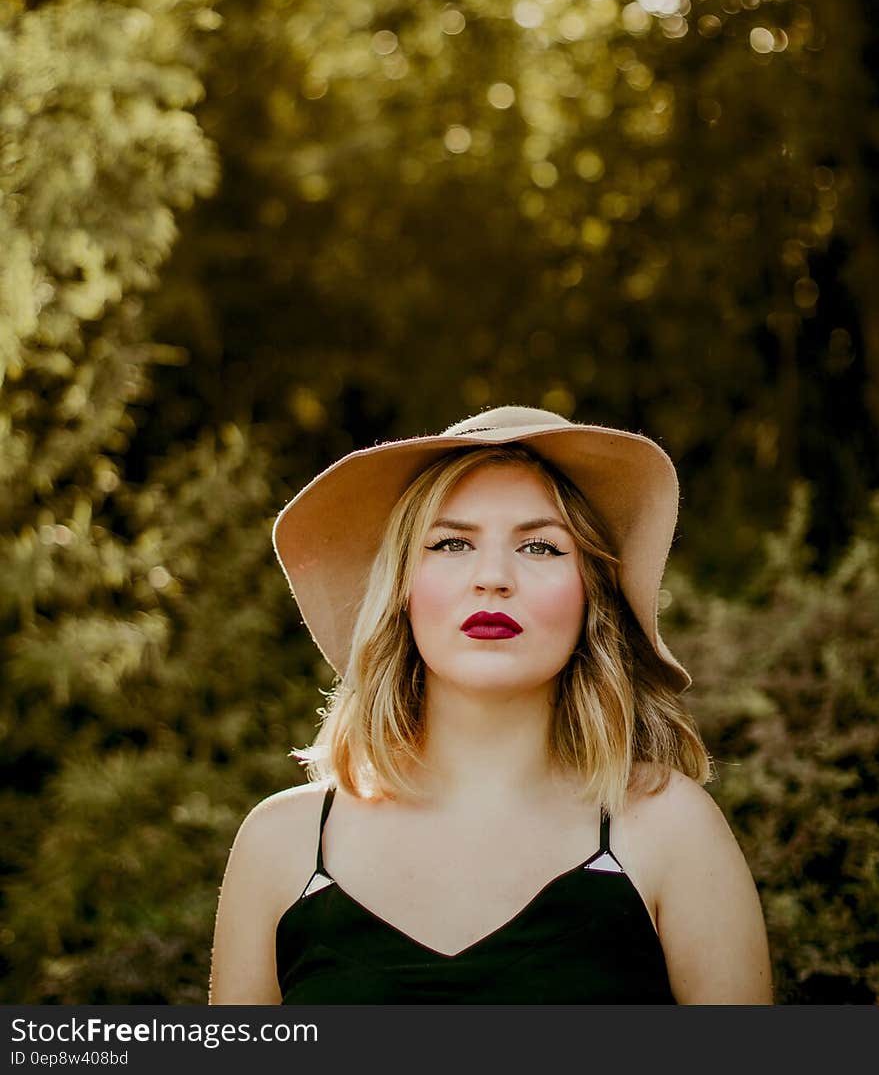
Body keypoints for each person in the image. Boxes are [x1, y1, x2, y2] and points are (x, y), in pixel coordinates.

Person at [209, 405, 773, 1004]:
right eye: (451, 543)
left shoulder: (669, 829)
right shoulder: (281, 845)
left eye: (540, 547)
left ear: (592, 597)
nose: (494, 578)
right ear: (401, 589)